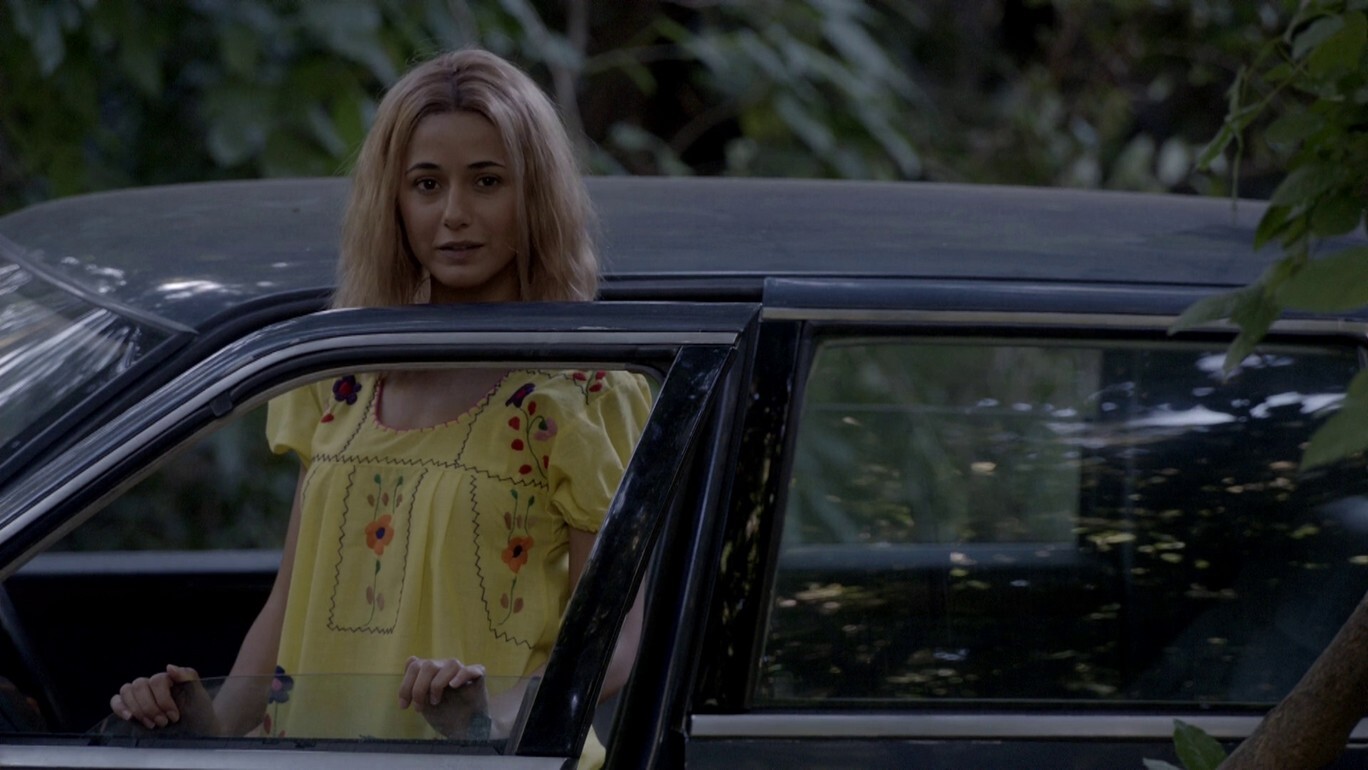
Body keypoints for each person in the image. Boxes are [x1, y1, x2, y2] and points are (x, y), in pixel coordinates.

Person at [109, 48, 651, 768]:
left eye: (487, 181)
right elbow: (288, 609)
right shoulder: (340, 375)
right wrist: (210, 724)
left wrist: (490, 716)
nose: (454, 214)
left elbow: (614, 639)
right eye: (427, 184)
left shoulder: (582, 391)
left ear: (536, 195)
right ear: (393, 201)